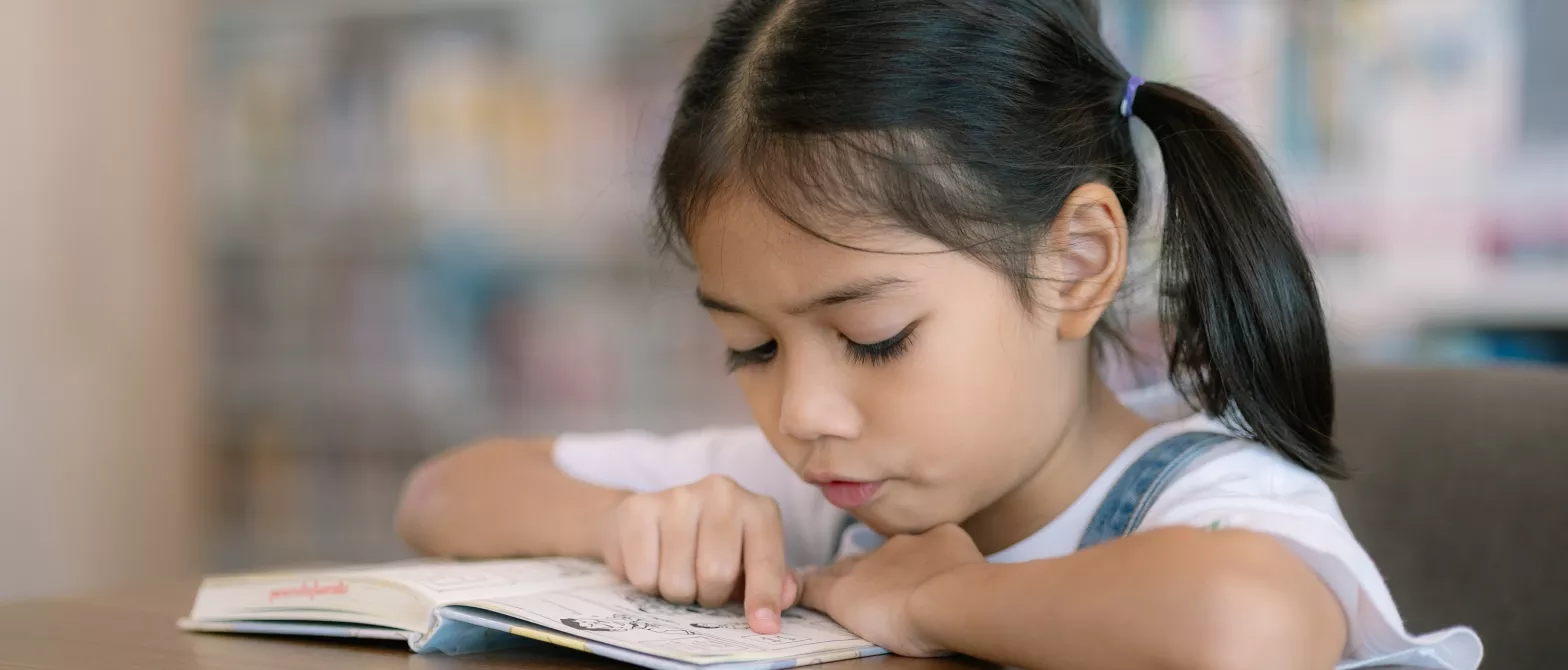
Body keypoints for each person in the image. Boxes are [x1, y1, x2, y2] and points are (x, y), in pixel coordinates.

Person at [395, 1, 1482, 668]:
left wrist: (928, 597)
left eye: (871, 337)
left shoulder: (1204, 502)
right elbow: (445, 495)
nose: (802, 417)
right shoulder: (830, 494)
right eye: (752, 348)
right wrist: (650, 524)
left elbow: (1244, 631)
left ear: (1074, 264)